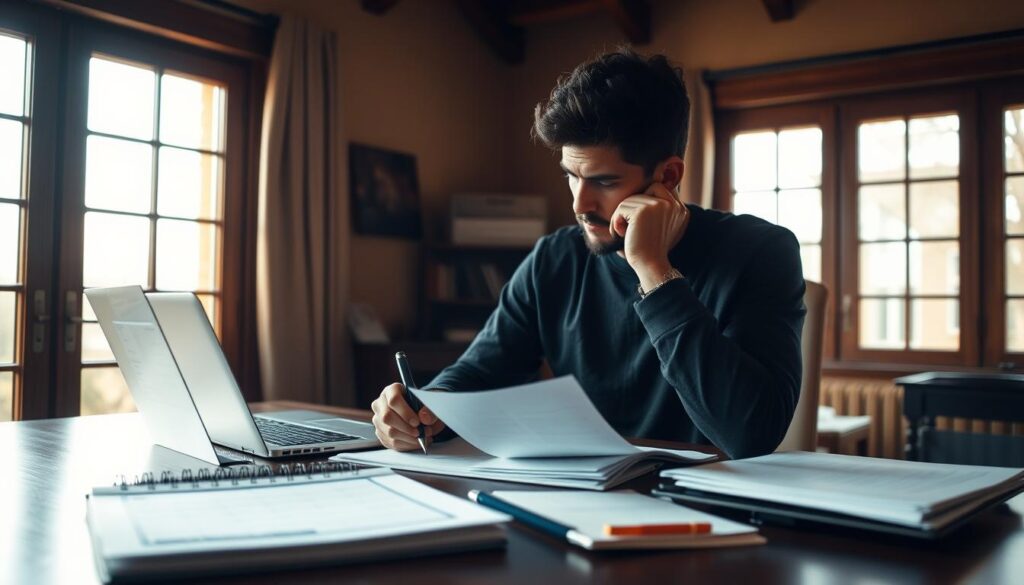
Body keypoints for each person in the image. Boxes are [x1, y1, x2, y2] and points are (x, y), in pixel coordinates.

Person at [370, 48, 806, 459]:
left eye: (602, 181)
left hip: (712, 511)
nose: (579, 205)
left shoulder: (762, 251)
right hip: (580, 501)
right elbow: (479, 373)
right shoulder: (553, 260)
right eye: (571, 177)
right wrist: (421, 411)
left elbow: (751, 434)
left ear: (668, 176)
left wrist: (654, 270)